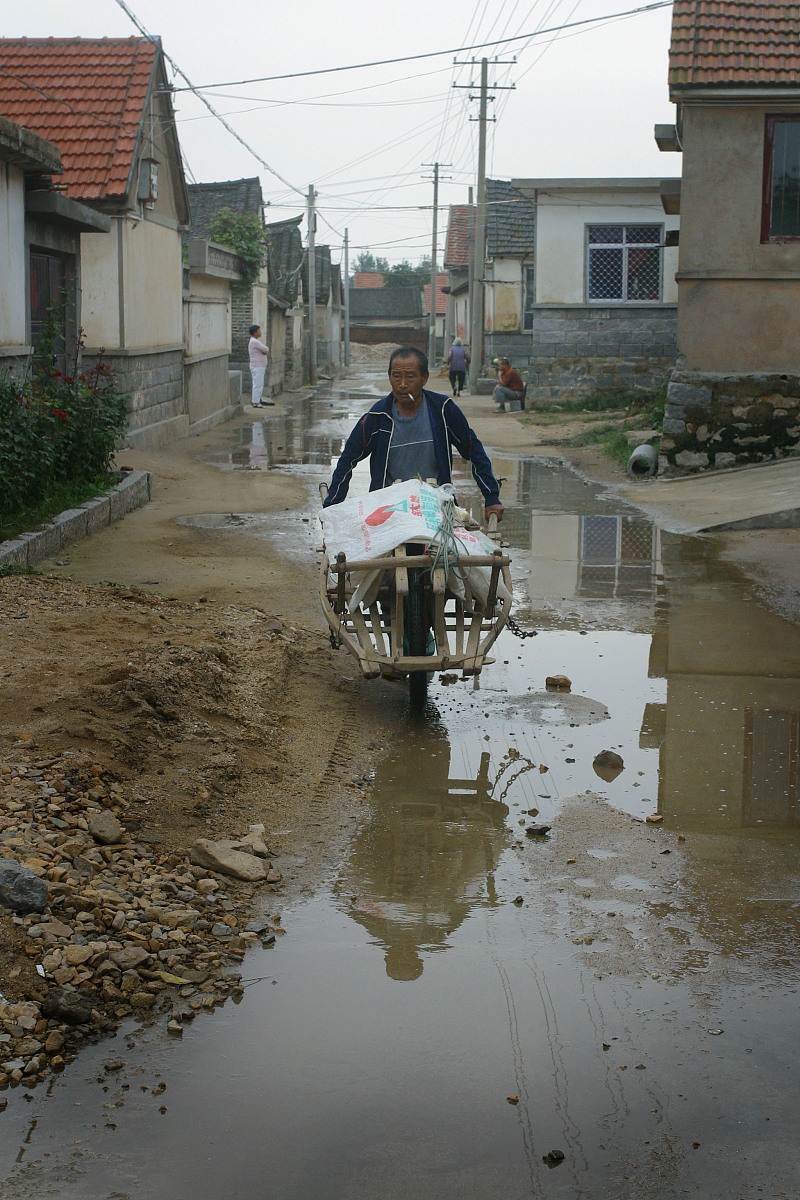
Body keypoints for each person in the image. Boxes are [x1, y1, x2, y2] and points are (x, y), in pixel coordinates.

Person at [323, 346, 504, 523]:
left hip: (436, 508)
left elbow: (473, 450)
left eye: (410, 377)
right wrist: (333, 504)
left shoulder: (442, 410)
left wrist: (491, 496)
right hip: (388, 511)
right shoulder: (377, 417)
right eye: (396, 377)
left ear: (424, 378)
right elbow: (347, 460)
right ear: (389, 377)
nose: (402, 384)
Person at [248, 324, 273, 408]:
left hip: (258, 366)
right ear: (255, 333)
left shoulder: (254, 341)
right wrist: (264, 352)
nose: (260, 332)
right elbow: (266, 349)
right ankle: (256, 402)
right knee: (258, 384)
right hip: (257, 366)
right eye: (259, 331)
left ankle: (256, 400)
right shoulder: (255, 341)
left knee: (258, 384)